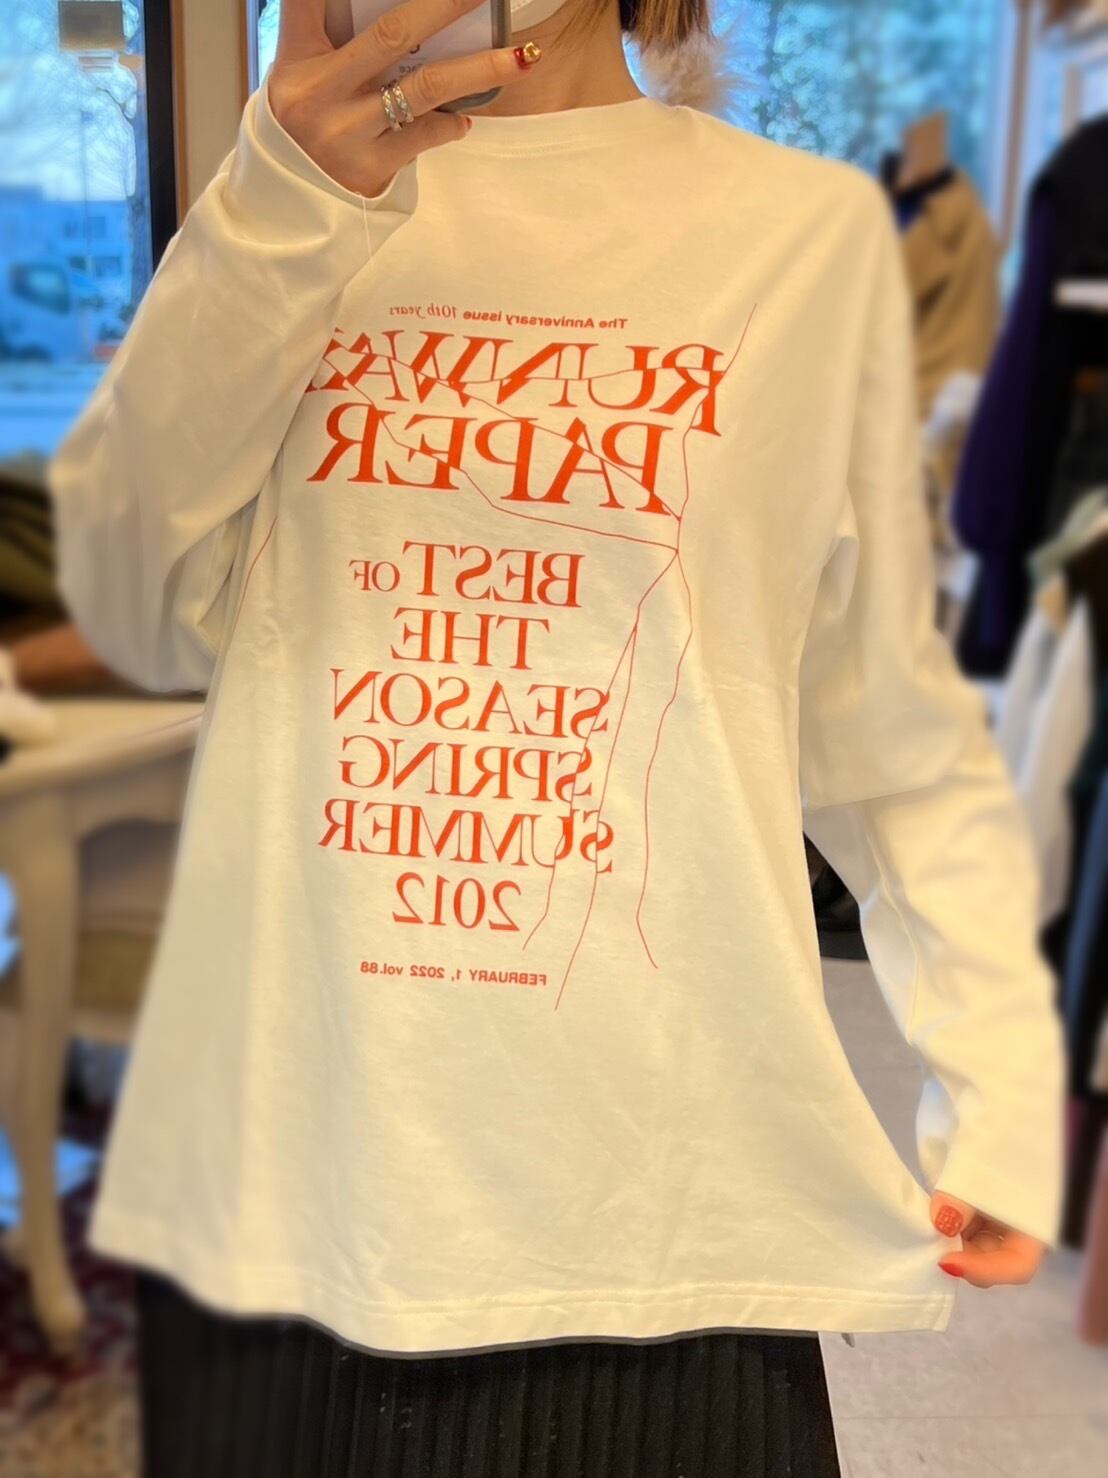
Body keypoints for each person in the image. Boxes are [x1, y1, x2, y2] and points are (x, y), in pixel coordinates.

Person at [47, 0, 1066, 1473]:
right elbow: (136, 594)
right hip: (303, 1195)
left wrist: (1000, 1078)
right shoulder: (281, 205)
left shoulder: (797, 237)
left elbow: (871, 715)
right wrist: (279, 205)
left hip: (666, 1213)